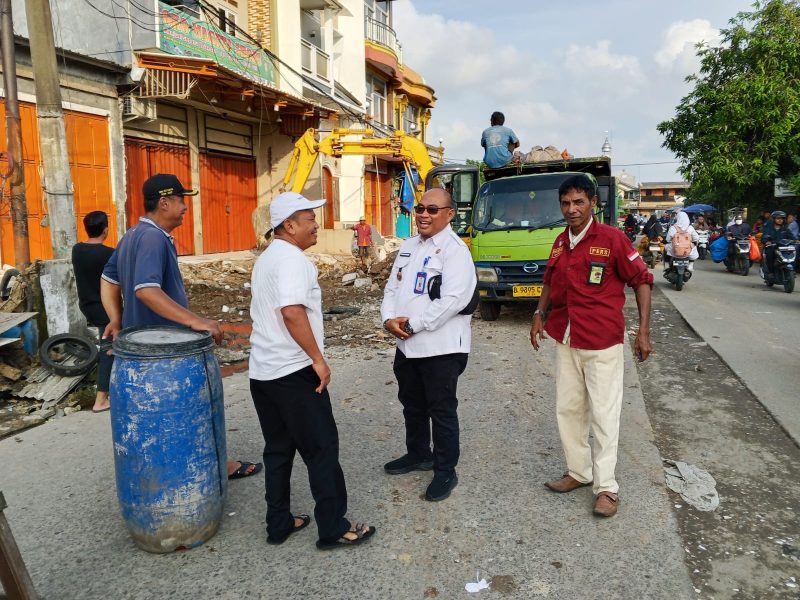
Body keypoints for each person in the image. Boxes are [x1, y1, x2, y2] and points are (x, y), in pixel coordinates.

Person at [101, 173, 262, 481]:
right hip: (163, 352)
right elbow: (145, 290)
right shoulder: (152, 238)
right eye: (181, 200)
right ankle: (213, 468)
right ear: (164, 203)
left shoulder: (133, 235)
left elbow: (108, 280)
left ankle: (194, 469)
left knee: (163, 423)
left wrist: (116, 319)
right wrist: (196, 321)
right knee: (188, 414)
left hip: (142, 352)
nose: (186, 206)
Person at [249, 191, 375, 549]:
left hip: (264, 372)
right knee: (321, 450)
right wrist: (317, 359)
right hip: (293, 372)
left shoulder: (267, 258)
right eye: (309, 219)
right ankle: (334, 528)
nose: (316, 224)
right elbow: (291, 311)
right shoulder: (292, 261)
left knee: (278, 450)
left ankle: (279, 523)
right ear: (289, 226)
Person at [530, 174, 653, 518]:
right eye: (566, 203)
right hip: (567, 338)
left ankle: (607, 488)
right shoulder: (559, 242)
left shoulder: (612, 239)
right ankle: (579, 472)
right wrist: (540, 313)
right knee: (568, 409)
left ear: (593, 204)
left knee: (603, 414)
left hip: (602, 342)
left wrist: (643, 332)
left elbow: (642, 281)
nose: (571, 210)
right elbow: (550, 281)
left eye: (579, 202)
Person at [381, 188, 476, 502]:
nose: (424, 214)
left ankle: (445, 469)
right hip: (407, 346)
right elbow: (391, 288)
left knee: (441, 410)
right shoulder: (408, 246)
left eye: (433, 210)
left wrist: (411, 325)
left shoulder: (455, 251)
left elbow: (452, 301)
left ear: (450, 214)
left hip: (442, 348)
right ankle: (418, 453)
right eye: (420, 208)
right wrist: (388, 320)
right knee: (412, 404)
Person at [72, 211, 114, 413]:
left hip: (87, 306)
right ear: (106, 229)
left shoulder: (77, 250)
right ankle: (101, 400)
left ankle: (111, 390)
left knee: (110, 347)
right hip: (105, 309)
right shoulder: (109, 254)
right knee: (108, 351)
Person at [761, 210, 797, 278]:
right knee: (769, 254)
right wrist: (767, 241)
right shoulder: (768, 228)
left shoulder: (785, 229)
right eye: (778, 218)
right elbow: (763, 238)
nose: (780, 220)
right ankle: (771, 272)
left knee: (793, 252)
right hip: (772, 247)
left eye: (782, 219)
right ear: (774, 219)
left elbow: (792, 237)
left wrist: (795, 240)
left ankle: (792, 269)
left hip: (783, 248)